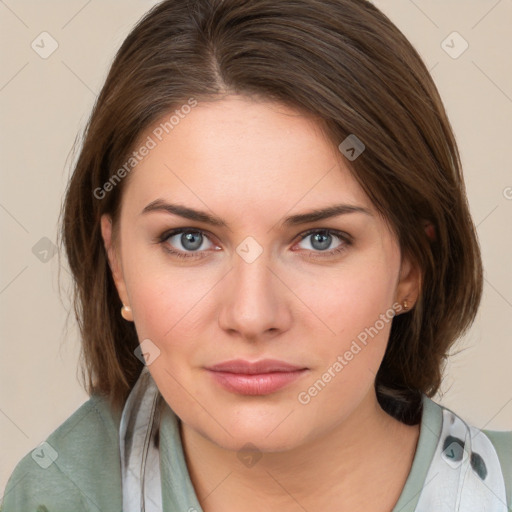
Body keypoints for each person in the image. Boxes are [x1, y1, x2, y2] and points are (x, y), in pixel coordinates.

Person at [2, 0, 511, 511]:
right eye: (189, 239)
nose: (252, 315)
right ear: (118, 264)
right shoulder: (55, 496)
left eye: (320, 239)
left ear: (410, 266)